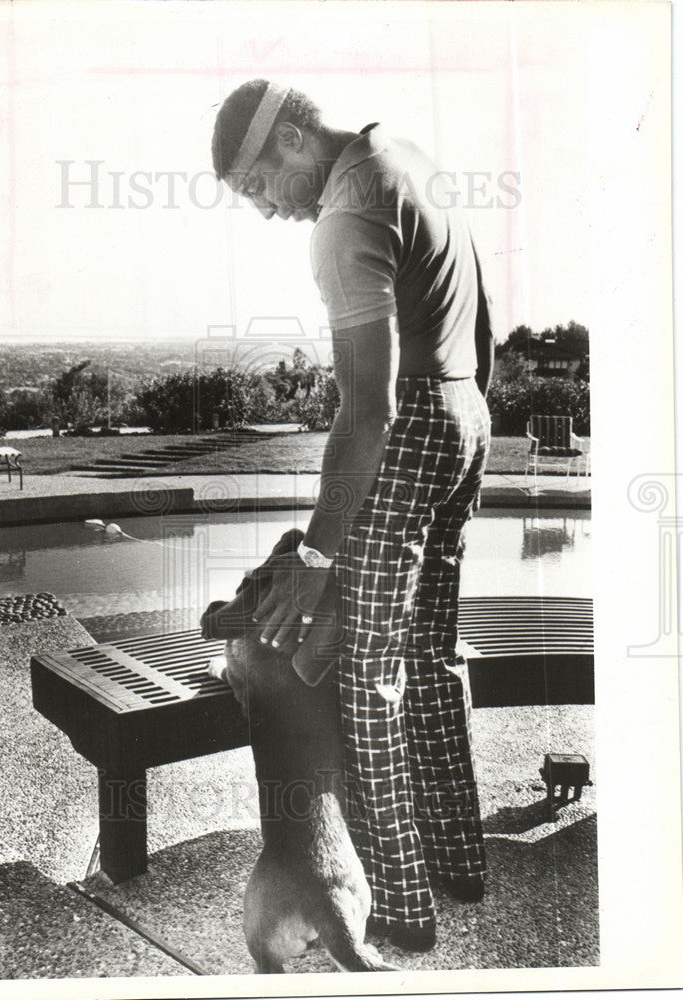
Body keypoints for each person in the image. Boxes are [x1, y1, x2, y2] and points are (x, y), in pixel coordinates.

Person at [211, 79, 494, 951]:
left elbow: (362, 412)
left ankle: (402, 908)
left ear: (294, 139)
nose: (265, 211)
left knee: (367, 678)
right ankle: (456, 860)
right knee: (431, 653)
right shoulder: (403, 159)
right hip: (464, 415)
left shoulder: (342, 215)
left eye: (259, 186)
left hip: (404, 432)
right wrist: (466, 419)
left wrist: (320, 555)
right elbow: (482, 325)